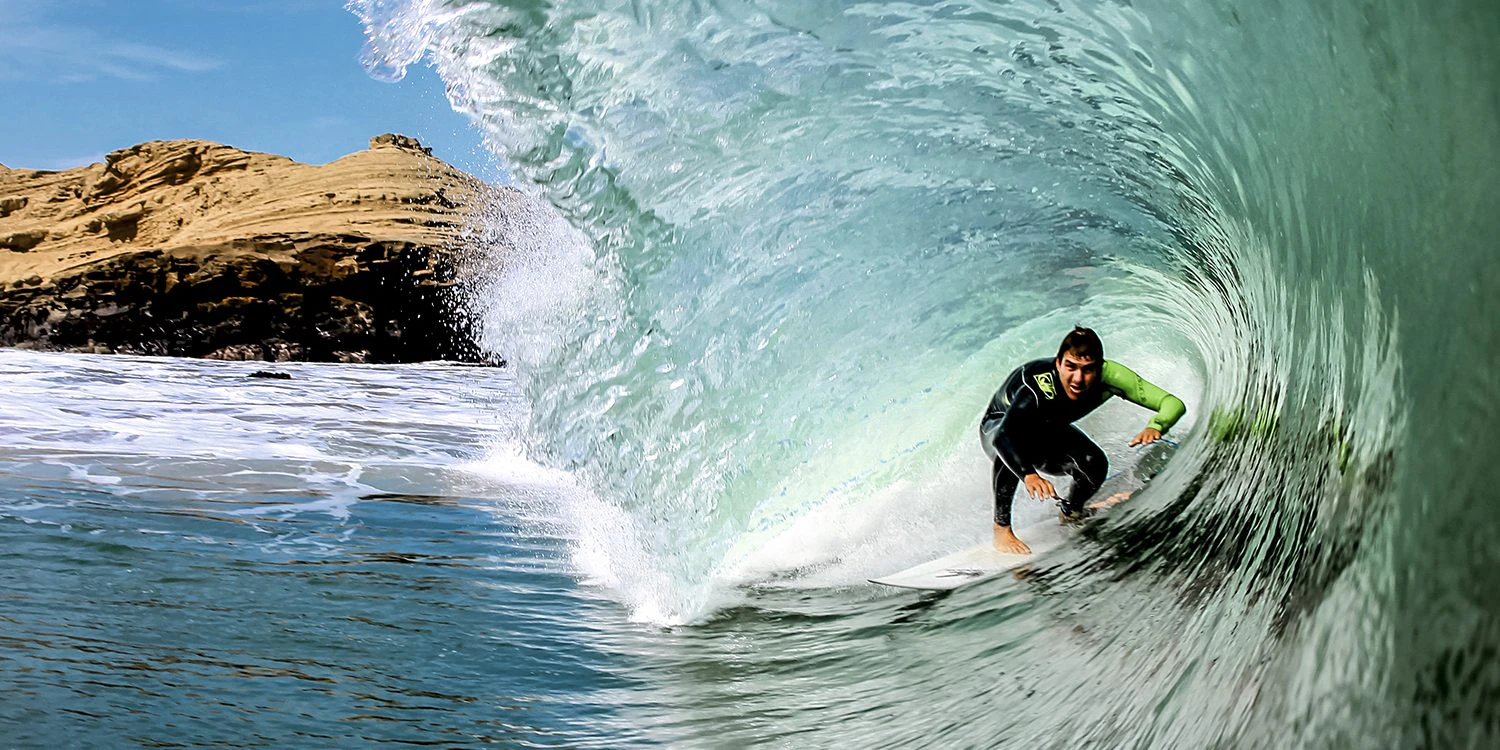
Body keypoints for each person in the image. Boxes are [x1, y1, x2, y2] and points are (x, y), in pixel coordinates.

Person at [980, 327, 1186, 554]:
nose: (1078, 378)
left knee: (1093, 463)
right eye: (1071, 367)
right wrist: (1028, 475)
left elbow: (1172, 403)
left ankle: (1071, 512)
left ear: (1100, 367)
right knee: (1020, 438)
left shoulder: (1112, 377)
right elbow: (1005, 435)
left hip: (1047, 430)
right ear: (1058, 363)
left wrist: (1156, 425)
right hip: (998, 429)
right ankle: (1001, 529)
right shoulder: (1038, 385)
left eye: (1088, 369)